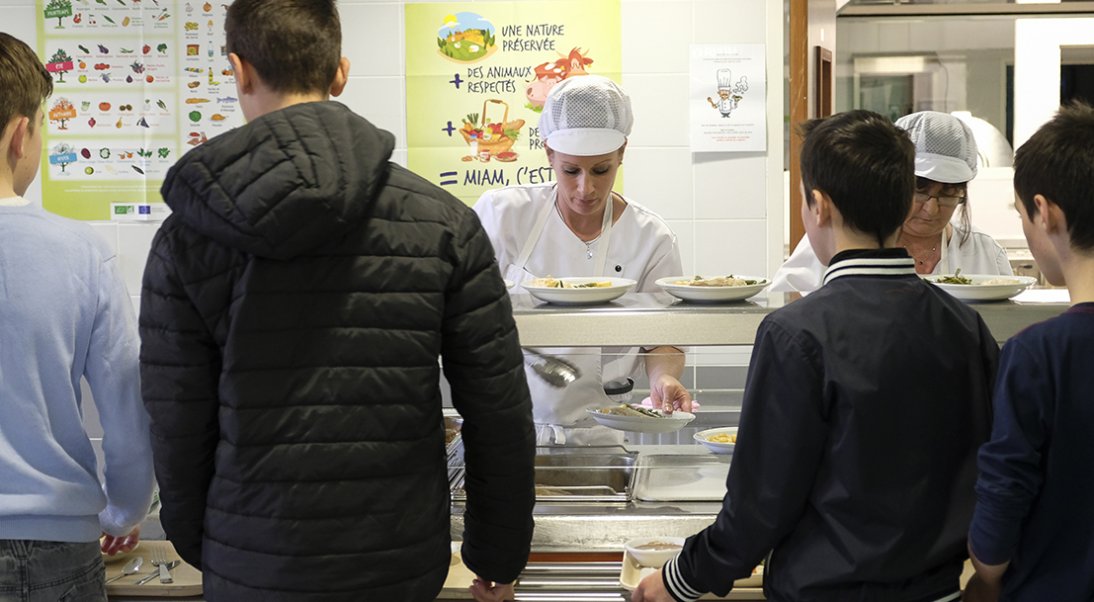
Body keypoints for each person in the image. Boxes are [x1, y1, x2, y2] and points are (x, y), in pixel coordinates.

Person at [137, 2, 535, 601]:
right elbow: (497, 409)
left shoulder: (187, 236)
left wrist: (211, 543)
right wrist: (497, 553)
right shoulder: (443, 223)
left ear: (239, 72)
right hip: (398, 561)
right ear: (341, 73)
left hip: (253, 561)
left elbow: (176, 422)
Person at [633, 110, 998, 602]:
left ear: (819, 206)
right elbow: (992, 470)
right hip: (938, 591)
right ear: (901, 204)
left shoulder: (794, 333)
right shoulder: (965, 325)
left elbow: (759, 508)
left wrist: (681, 578)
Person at [0, 32, 153, 599]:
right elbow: (125, 409)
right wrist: (123, 511)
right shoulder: (80, 252)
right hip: (52, 545)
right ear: (22, 135)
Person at [473, 75, 691, 446]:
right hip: (506, 426)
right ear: (549, 154)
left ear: (622, 153)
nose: (585, 189)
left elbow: (662, 340)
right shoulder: (502, 216)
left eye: (601, 170)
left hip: (603, 433)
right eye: (570, 170)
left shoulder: (650, 237)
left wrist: (663, 378)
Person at [966, 102, 1094, 602]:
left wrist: (986, 575)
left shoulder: (1039, 354)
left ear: (1045, 212)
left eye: (1021, 215)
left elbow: (1002, 500)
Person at [771, 110, 1012, 293]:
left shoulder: (985, 253)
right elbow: (786, 303)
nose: (931, 208)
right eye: (920, 190)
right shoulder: (837, 238)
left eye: (948, 193)